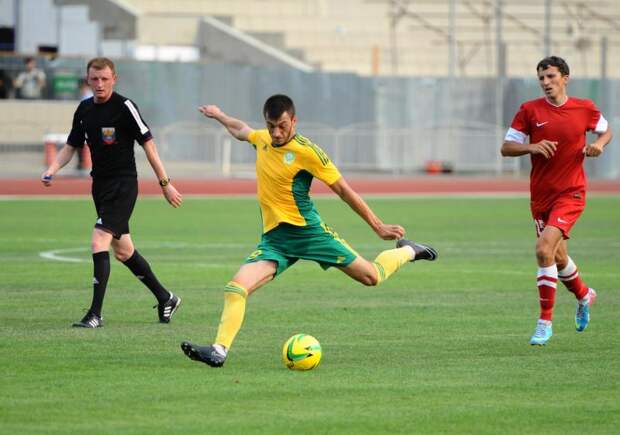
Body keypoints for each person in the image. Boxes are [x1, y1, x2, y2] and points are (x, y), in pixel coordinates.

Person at [181, 94, 437, 367]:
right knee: (235, 289)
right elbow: (240, 129)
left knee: (371, 277)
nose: (276, 133)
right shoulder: (263, 139)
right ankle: (218, 351)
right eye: (271, 126)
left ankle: (409, 250)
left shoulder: (308, 152)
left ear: (294, 120)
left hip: (311, 234)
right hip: (276, 241)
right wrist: (219, 115)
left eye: (282, 125)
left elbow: (343, 190)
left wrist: (378, 226)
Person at [41, 57, 183, 328]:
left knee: (98, 242)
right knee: (124, 251)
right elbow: (71, 145)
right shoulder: (83, 109)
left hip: (124, 185)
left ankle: (95, 314)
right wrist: (52, 169)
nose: (99, 84)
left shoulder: (124, 106)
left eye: (105, 79)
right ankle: (166, 298)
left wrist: (165, 184)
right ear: (87, 80)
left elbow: (149, 146)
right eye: (94, 79)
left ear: (114, 79)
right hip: (100, 187)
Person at [501, 56, 612, 345]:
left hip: (571, 193)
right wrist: (532, 147)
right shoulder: (529, 110)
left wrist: (598, 144)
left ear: (565, 78)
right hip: (541, 196)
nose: (546, 83)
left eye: (551, 77)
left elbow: (606, 129)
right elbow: (506, 147)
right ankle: (584, 294)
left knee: (542, 250)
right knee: (557, 256)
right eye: (542, 79)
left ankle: (544, 321)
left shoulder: (584, 108)